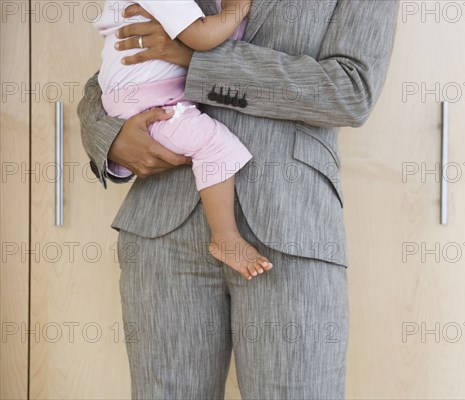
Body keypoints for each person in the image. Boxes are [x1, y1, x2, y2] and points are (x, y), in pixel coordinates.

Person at [78, 0, 400, 398]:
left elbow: (351, 91)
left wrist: (201, 61)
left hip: (292, 228)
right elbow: (123, 54)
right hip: (162, 228)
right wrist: (106, 137)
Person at [94, 0, 272, 280]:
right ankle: (225, 237)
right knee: (215, 146)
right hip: (152, 104)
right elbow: (201, 37)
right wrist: (236, 10)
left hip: (143, 97)